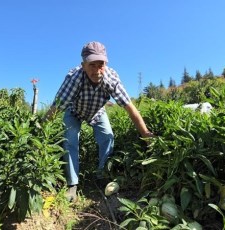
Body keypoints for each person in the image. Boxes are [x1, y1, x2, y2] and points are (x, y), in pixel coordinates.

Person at [44, 41, 154, 202]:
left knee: (107, 136)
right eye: (92, 65)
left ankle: (102, 174)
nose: (97, 70)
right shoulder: (74, 78)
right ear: (83, 65)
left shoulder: (111, 78)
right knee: (70, 139)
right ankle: (72, 184)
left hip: (97, 111)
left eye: (100, 64)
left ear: (106, 63)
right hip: (74, 111)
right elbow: (56, 107)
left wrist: (146, 134)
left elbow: (130, 108)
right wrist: (39, 131)